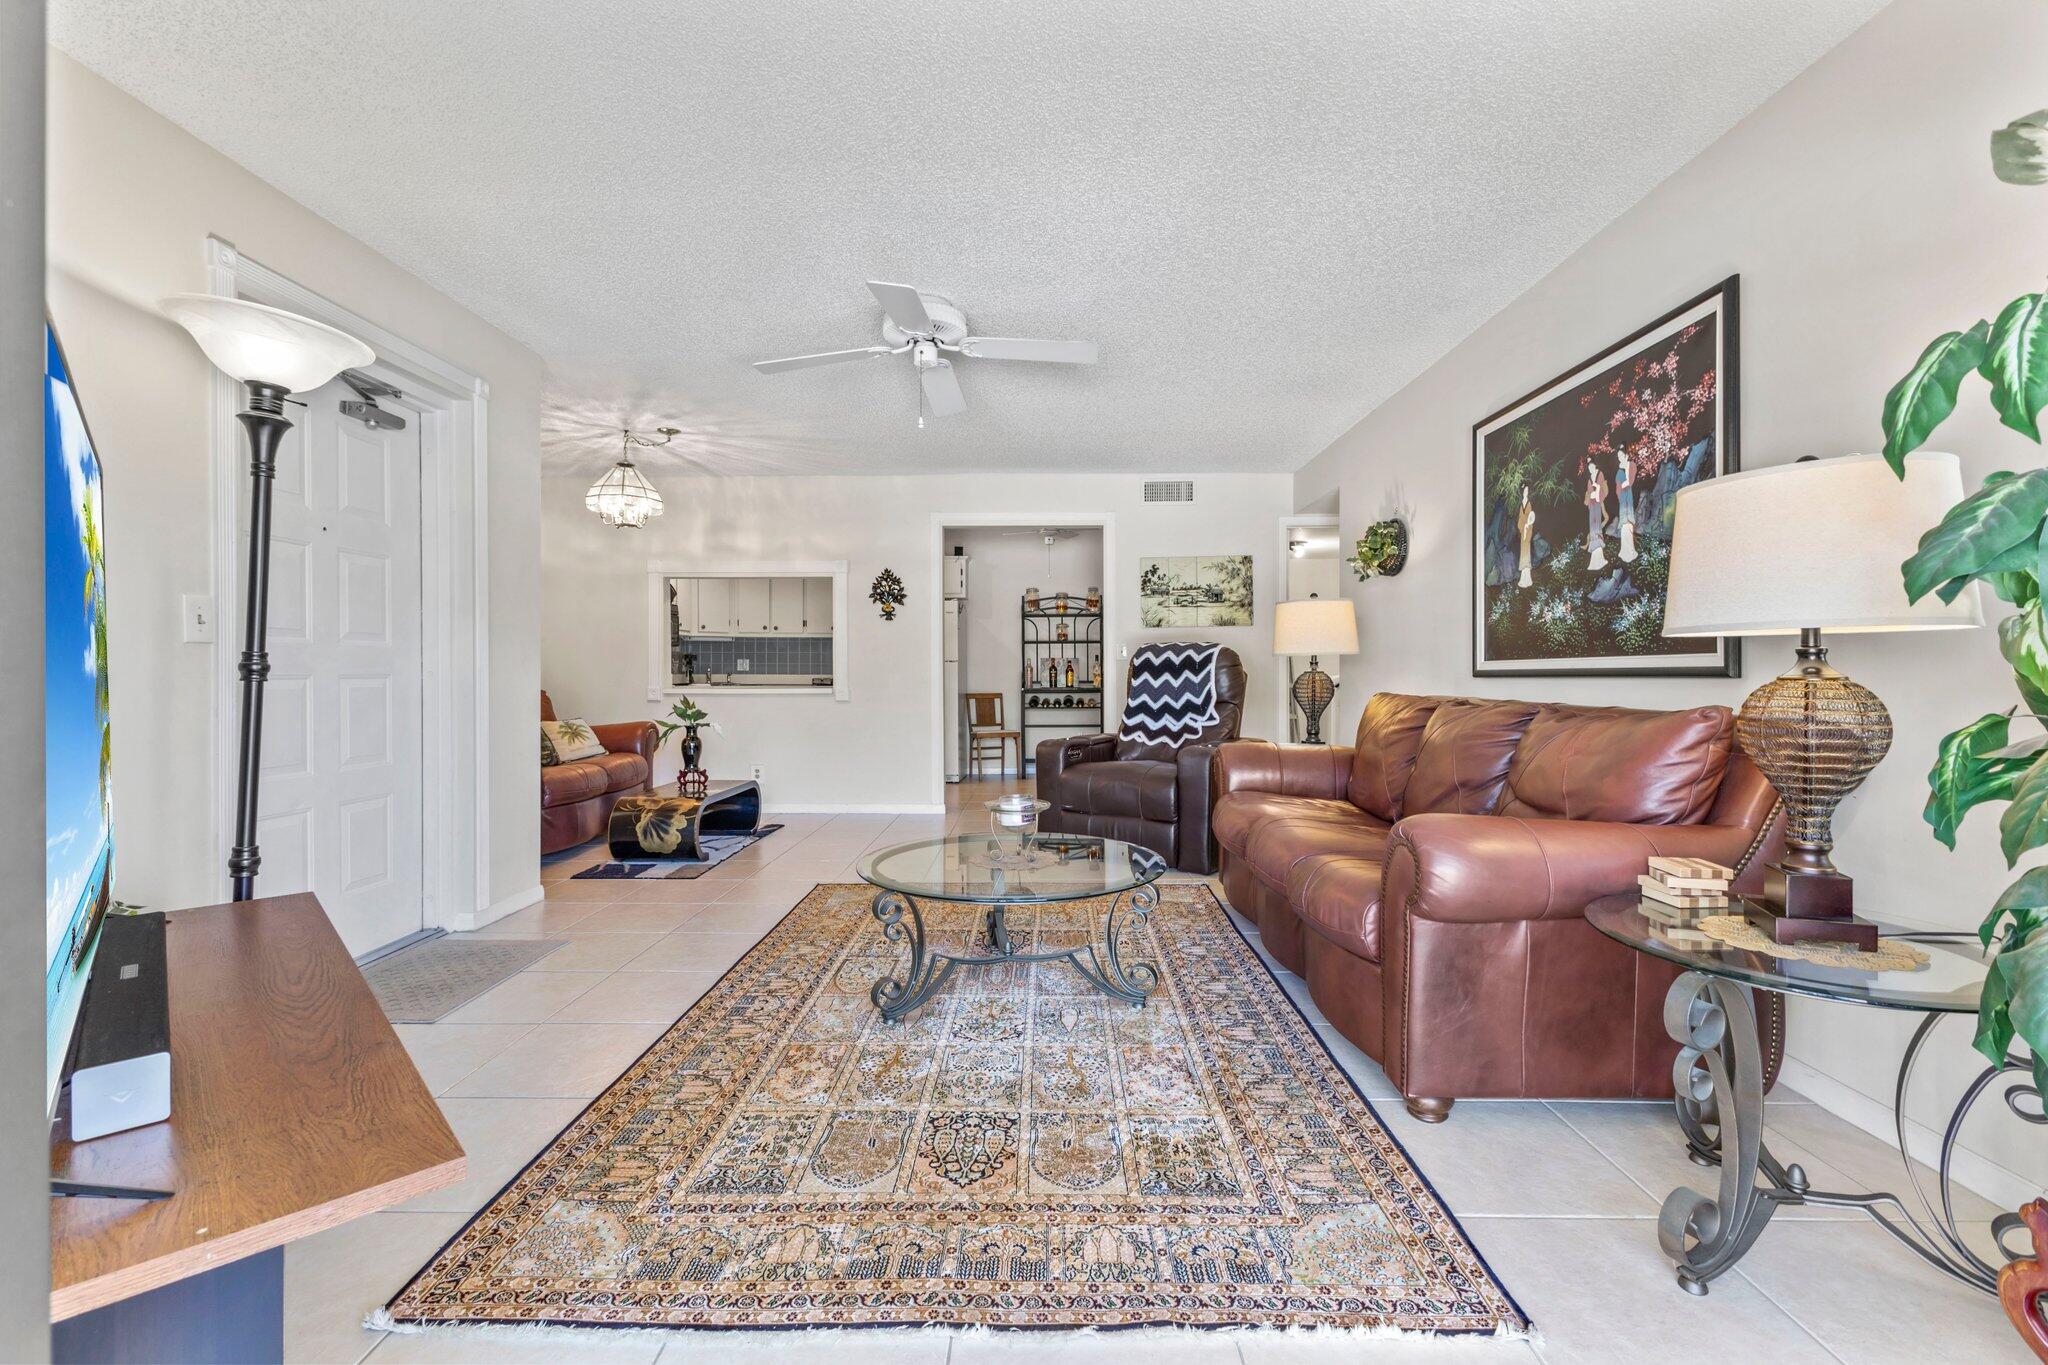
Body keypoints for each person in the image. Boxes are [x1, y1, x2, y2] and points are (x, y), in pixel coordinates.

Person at [1584, 462, 1608, 571]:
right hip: (1592, 506)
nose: (1590, 469)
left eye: (1592, 467)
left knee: (1597, 526)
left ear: (1595, 467)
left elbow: (1602, 490)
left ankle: (1599, 558)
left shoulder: (1599, 475)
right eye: (1589, 468)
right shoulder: (1589, 480)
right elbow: (1588, 493)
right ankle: (1594, 559)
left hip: (1597, 504)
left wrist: (1597, 490)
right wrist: (1590, 496)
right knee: (1592, 526)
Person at [1615, 453, 1638, 564]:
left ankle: (1630, 551)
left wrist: (1624, 484)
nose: (1620, 458)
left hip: (1628, 500)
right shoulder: (1619, 472)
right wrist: (1622, 486)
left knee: (1628, 525)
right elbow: (1618, 488)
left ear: (1627, 456)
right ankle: (1624, 552)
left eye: (1621, 455)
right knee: (1624, 525)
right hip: (1623, 502)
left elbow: (1630, 481)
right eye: (1618, 456)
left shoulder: (1631, 466)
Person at [1515, 485, 1535, 588]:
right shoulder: (1521, 505)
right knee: (1523, 551)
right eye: (1524, 490)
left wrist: (1528, 525)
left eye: (1527, 490)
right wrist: (1523, 526)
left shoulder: (1529, 504)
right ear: (1522, 492)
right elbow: (1520, 519)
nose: (1526, 492)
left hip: (1528, 530)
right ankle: (1523, 579)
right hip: (1523, 530)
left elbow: (1531, 517)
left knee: (1526, 551)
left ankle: (1527, 579)